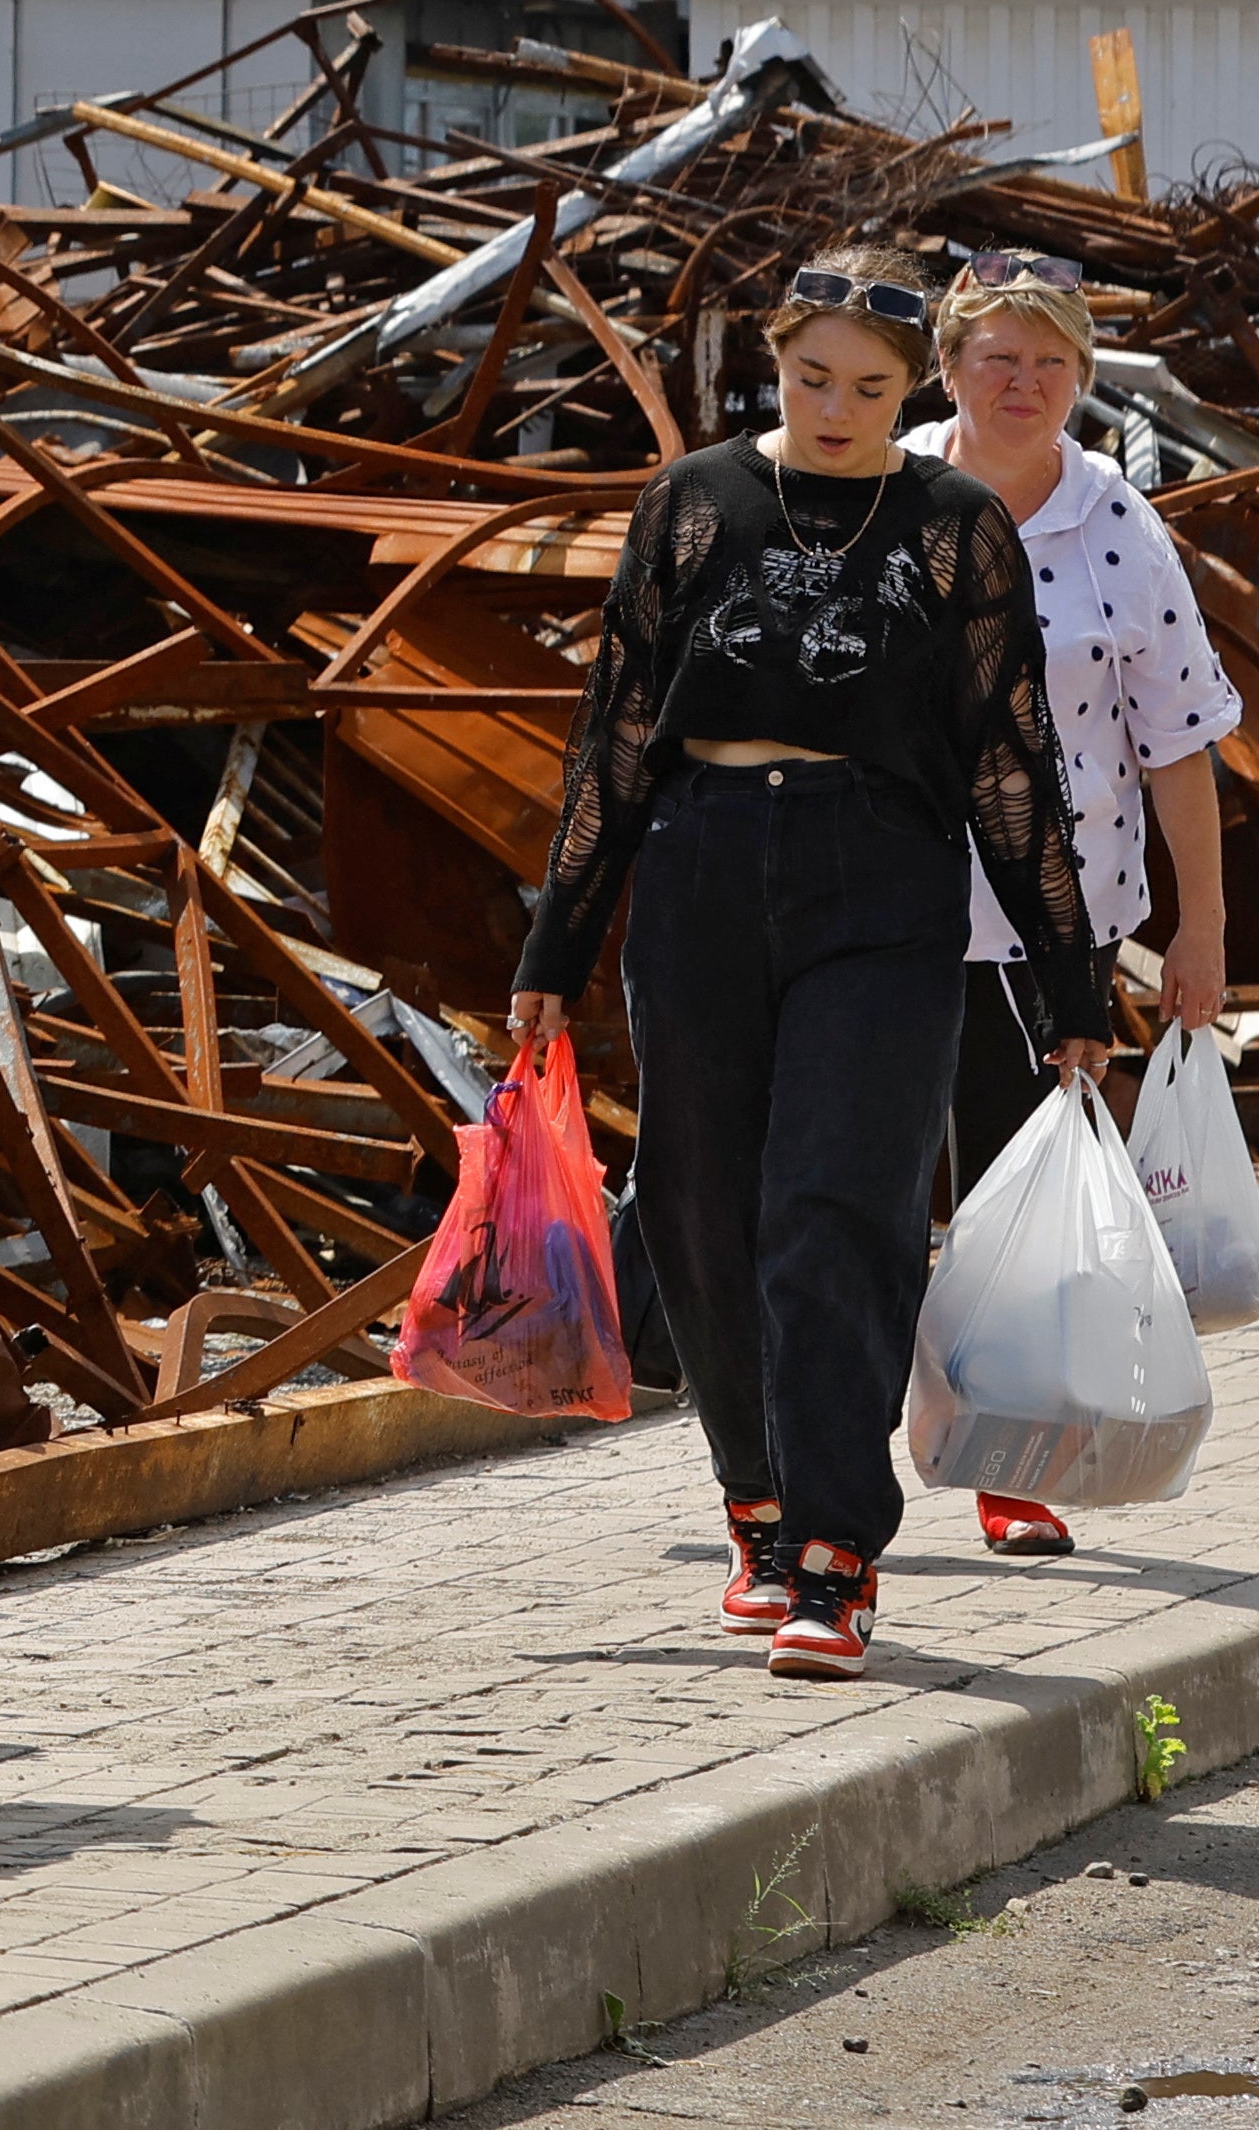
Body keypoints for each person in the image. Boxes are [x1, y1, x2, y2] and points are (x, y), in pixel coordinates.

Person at [512, 239, 1102, 1681]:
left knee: (837, 1207)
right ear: (773, 363)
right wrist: (557, 935)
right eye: (812, 376)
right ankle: (757, 1500)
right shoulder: (693, 502)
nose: (838, 406)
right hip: (704, 865)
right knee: (699, 1210)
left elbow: (1013, 761)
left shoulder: (955, 523)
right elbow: (615, 732)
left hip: (882, 882)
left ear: (915, 389)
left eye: (873, 386)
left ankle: (838, 1554)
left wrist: (1073, 979)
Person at [904, 247, 1242, 1560]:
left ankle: (1014, 1459)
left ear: (1083, 377)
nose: (1026, 381)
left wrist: (1198, 925)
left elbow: (1180, 736)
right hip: (892, 900)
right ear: (952, 368)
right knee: (873, 1187)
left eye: (1052, 360)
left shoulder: (1118, 524)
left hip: (1060, 918)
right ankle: (827, 1462)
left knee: (1020, 1194)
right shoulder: (893, 493)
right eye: (1000, 356)